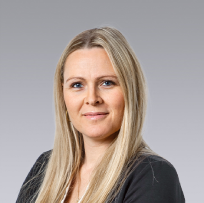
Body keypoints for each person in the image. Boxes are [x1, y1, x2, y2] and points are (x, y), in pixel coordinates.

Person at [16, 27, 185, 203]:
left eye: (107, 83)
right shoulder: (44, 168)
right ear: (62, 95)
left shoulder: (153, 175)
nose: (92, 99)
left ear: (130, 90)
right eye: (77, 85)